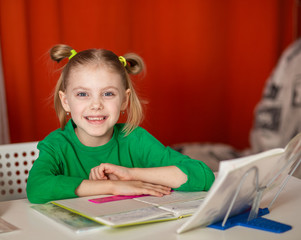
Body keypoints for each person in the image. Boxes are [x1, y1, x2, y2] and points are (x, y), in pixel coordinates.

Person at [26, 44, 215, 204]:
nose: (96, 105)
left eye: (108, 94)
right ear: (65, 101)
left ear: (124, 100)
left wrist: (131, 175)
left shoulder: (135, 139)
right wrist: (112, 186)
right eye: (82, 94)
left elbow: (204, 176)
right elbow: (37, 187)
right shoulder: (56, 144)